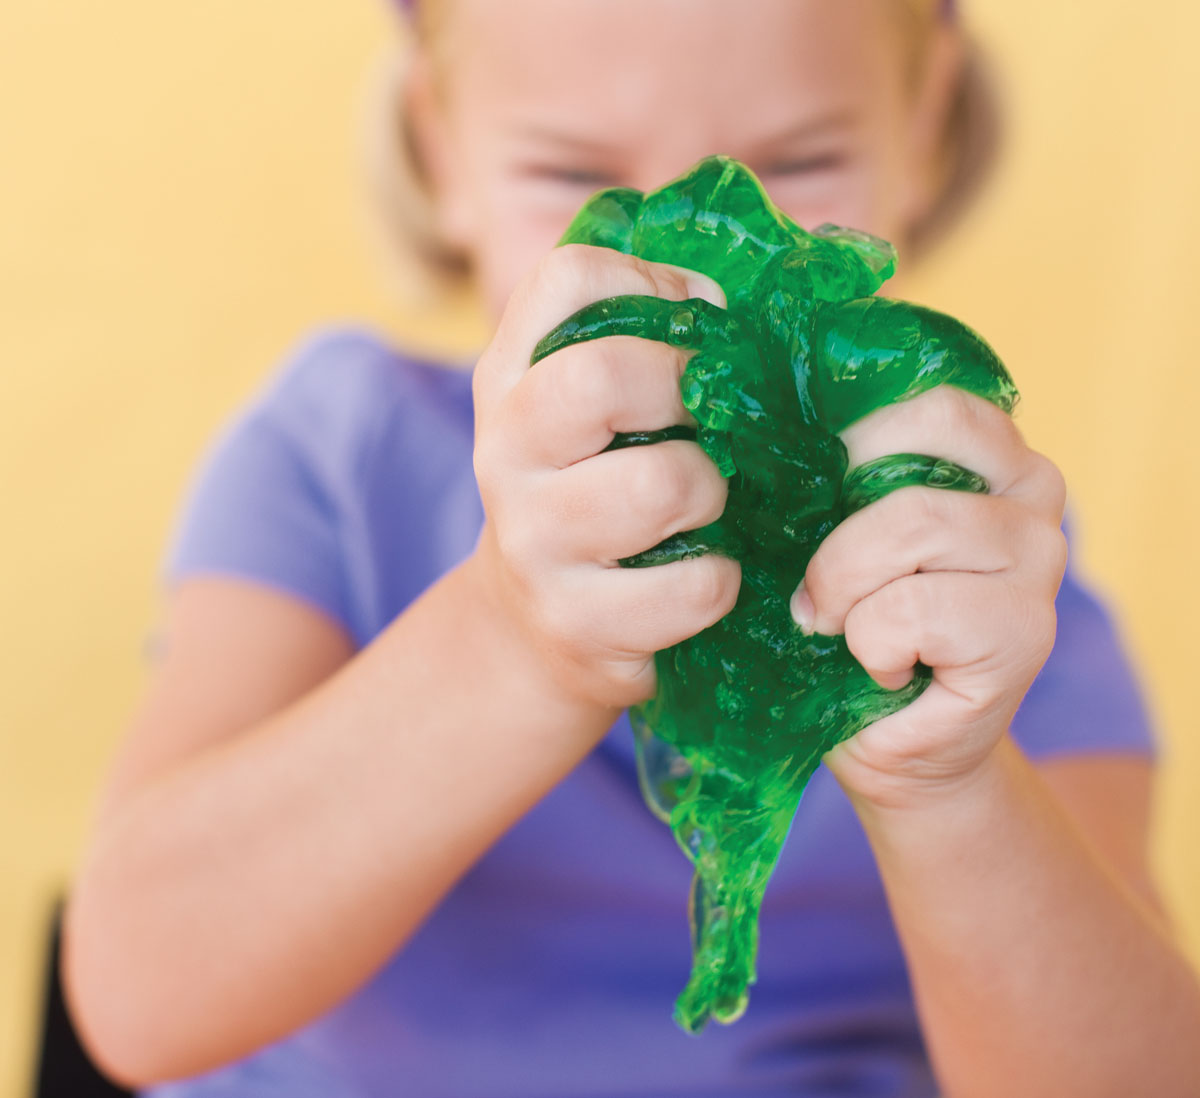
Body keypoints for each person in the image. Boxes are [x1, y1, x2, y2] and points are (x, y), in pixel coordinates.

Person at [62, 1, 1200, 1095]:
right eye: (571, 177)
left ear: (927, 122)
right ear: (438, 149)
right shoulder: (338, 456)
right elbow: (135, 999)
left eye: (799, 163)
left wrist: (949, 781)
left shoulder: (973, 561)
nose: (697, 280)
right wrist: (514, 640)